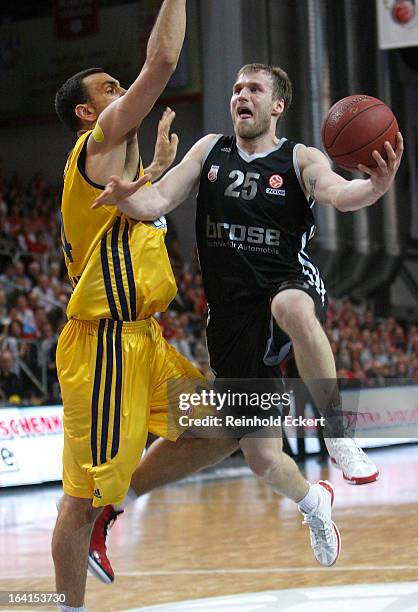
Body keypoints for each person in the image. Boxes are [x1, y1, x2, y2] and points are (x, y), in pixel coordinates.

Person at [88, 61, 404, 584]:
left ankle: (337, 432)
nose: (242, 95)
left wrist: (374, 186)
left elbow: (341, 195)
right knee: (261, 456)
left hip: (286, 286)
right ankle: (314, 502)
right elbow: (159, 200)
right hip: (231, 320)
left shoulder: (300, 157)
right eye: (236, 87)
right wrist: (128, 195)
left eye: (254, 89)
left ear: (276, 105)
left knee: (292, 308)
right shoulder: (209, 150)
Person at [51, 1, 200, 610]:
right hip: (104, 344)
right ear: (90, 112)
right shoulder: (97, 142)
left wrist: (159, 169)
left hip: (143, 339)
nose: (123, 92)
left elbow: (140, 212)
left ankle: (111, 508)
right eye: (110, 89)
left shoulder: (121, 173)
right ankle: (71, 603)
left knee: (225, 423)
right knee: (78, 500)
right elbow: (163, 59)